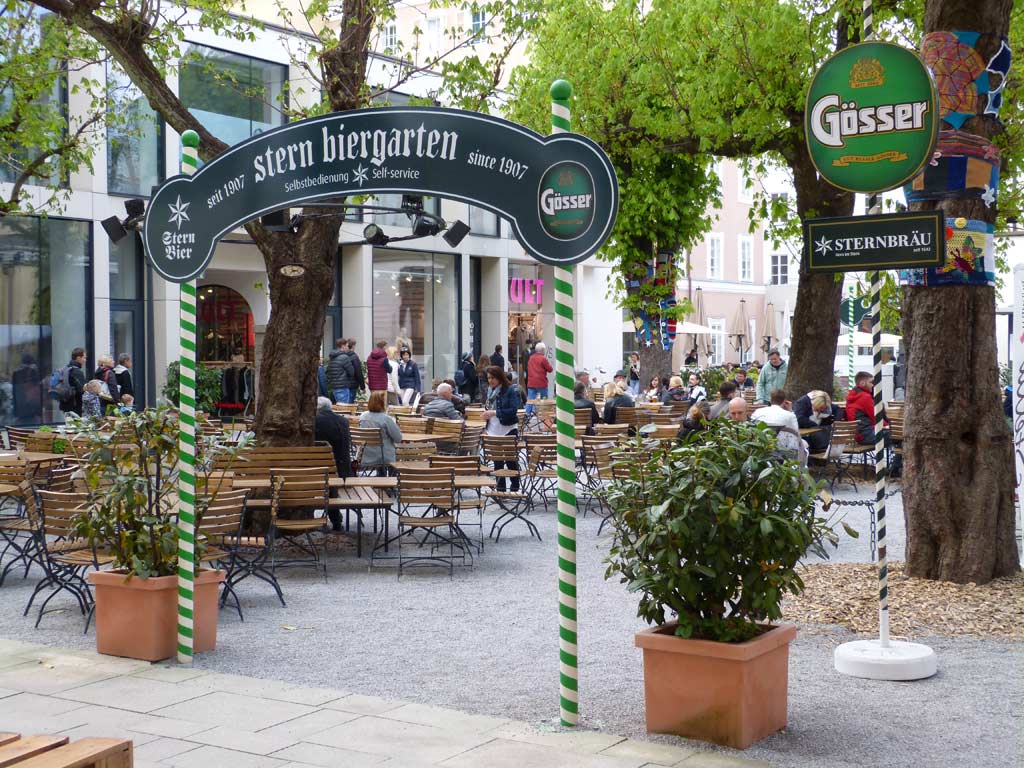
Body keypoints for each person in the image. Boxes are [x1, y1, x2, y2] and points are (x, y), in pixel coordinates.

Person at [482, 366, 521, 491]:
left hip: (508, 427)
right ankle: (500, 488)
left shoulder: (510, 390)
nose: (490, 380)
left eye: (493, 378)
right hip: (493, 428)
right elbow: (489, 408)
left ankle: (515, 487)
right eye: (489, 378)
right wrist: (486, 415)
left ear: (500, 377)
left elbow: (513, 410)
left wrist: (494, 413)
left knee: (510, 459)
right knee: (497, 460)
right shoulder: (489, 391)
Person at [752, 389, 806, 460]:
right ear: (784, 401)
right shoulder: (789, 415)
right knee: (805, 444)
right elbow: (795, 433)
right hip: (781, 450)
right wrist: (790, 411)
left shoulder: (757, 412)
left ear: (770, 400)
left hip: (760, 448)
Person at [359, 391, 403, 470]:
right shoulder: (386, 419)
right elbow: (398, 438)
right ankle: (392, 479)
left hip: (366, 456)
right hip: (385, 457)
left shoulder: (362, 417)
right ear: (382, 403)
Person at [846, 371, 887, 446]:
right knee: (896, 435)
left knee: (895, 434)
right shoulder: (865, 397)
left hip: (857, 435)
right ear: (862, 383)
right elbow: (876, 417)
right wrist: (888, 426)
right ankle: (899, 458)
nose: (873, 385)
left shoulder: (853, 395)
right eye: (871, 382)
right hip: (866, 435)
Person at [327, 339, 358, 404]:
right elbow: (351, 372)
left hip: (335, 387)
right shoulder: (344, 357)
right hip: (343, 386)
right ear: (343, 346)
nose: (348, 347)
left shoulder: (333, 356)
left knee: (340, 408)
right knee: (344, 409)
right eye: (347, 346)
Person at [58, 347, 87, 416]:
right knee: (76, 425)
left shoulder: (65, 369)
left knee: (69, 424)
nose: (85, 360)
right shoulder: (77, 372)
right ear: (78, 358)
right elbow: (81, 390)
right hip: (75, 405)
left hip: (65, 403)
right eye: (84, 358)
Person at [526, 342, 553, 413]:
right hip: (541, 382)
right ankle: (544, 414)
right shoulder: (543, 359)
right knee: (544, 399)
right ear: (542, 350)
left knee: (530, 400)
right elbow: (550, 369)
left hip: (531, 382)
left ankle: (527, 415)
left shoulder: (531, 358)